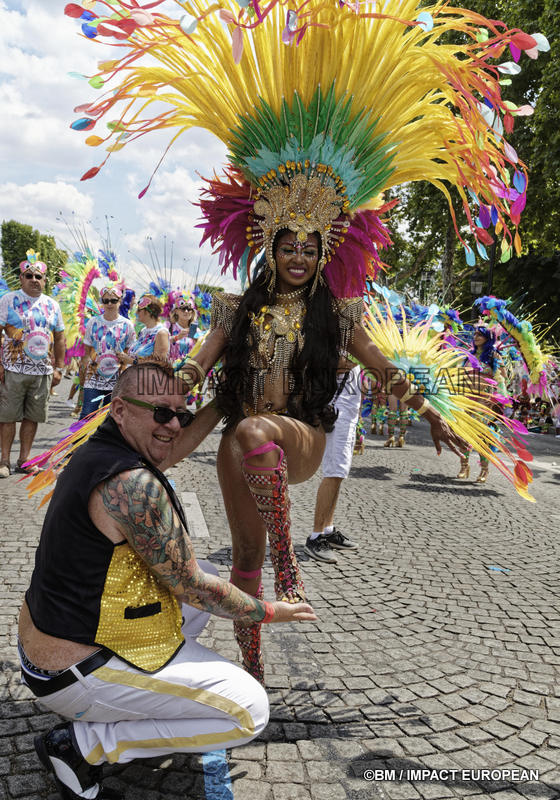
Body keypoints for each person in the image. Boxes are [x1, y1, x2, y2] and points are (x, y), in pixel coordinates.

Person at [173, 231, 465, 681]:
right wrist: (157, 390)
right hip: (242, 444)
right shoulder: (238, 311)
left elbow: (382, 367)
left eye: (309, 252)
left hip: (301, 436)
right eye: (289, 249)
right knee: (247, 556)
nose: (298, 259)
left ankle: (287, 564)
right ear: (270, 253)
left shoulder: (335, 316)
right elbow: (196, 367)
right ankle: (251, 670)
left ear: (321, 258)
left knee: (254, 429)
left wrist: (429, 413)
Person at [19, 361, 315, 800]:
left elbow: (170, 447)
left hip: (51, 642)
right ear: (119, 409)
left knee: (210, 576)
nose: (174, 425)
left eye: (182, 414)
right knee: (249, 711)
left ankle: (131, 703)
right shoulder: (131, 482)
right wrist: (270, 611)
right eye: (161, 412)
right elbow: (193, 586)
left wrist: (221, 402)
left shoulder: (105, 449)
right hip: (71, 669)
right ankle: (82, 746)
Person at [0, 252, 65, 477]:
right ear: (21, 278)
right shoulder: (8, 300)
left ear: (44, 280)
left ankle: (24, 460)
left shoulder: (53, 305)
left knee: (33, 417)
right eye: (29, 275)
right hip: (12, 369)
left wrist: (59, 369)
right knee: (7, 417)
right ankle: (4, 461)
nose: (34, 279)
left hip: (42, 372)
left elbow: (60, 337)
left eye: (39, 276)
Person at [304, 360, 361, 564]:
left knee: (339, 473)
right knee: (334, 471)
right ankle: (316, 536)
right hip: (337, 412)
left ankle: (327, 530)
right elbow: (326, 360)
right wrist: (360, 356)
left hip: (347, 412)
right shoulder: (336, 330)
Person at [78, 285, 136, 418]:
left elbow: (131, 351)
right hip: (93, 379)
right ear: (102, 302)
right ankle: (80, 440)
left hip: (116, 380)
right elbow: (86, 350)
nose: (109, 304)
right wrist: (83, 371)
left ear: (120, 301)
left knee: (110, 418)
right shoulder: (93, 322)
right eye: (106, 301)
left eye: (113, 301)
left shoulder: (127, 325)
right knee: (86, 415)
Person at [456, 325, 503, 483]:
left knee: (482, 436)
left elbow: (502, 379)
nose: (476, 337)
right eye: (475, 334)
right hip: (467, 399)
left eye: (480, 335)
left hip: (484, 401)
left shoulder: (493, 355)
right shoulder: (469, 355)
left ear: (488, 338)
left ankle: (484, 470)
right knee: (463, 434)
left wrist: (492, 398)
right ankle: (464, 466)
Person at [118, 294, 169, 365]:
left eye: (139, 310)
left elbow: (160, 363)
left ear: (148, 312)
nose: (136, 313)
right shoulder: (143, 331)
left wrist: (133, 361)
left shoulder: (161, 333)